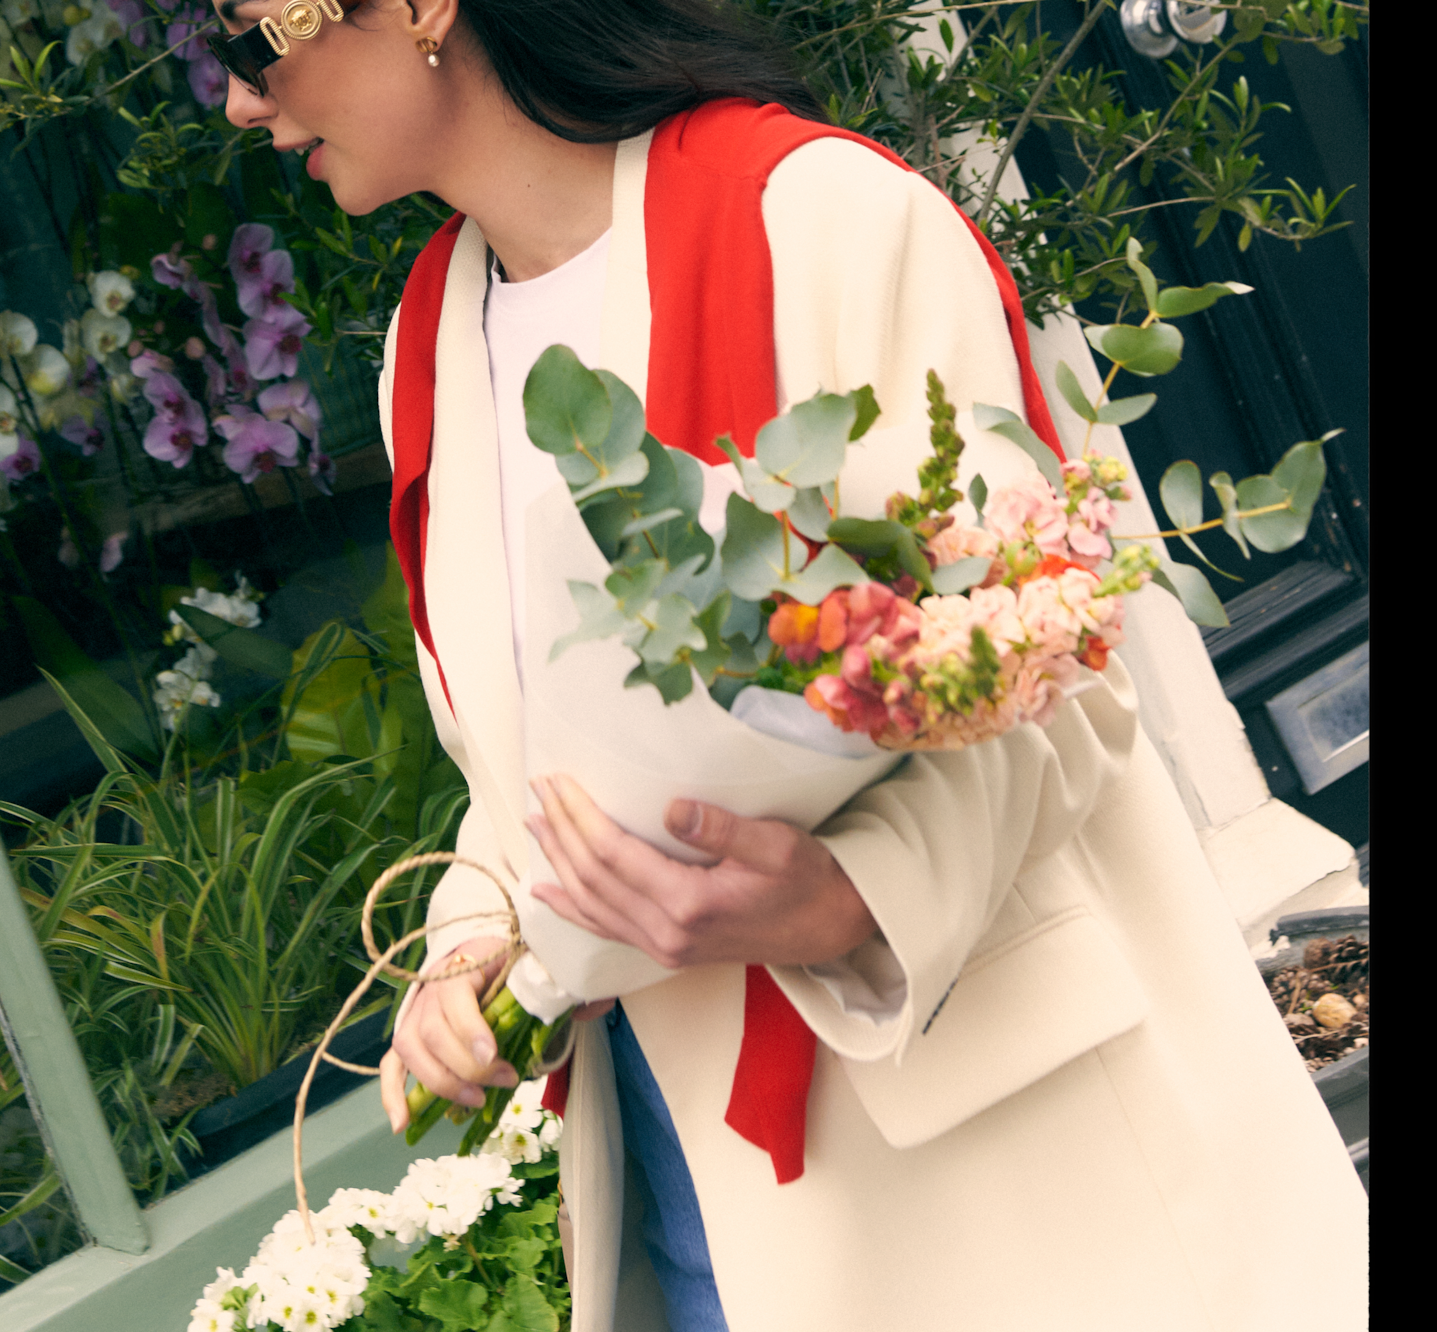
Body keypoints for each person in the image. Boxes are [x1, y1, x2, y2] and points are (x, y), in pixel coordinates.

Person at [216, 2, 1368, 1328]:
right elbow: (519, 760)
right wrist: (467, 952)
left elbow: (1069, 675)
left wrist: (844, 899)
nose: (244, 104)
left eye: (253, 43)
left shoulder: (818, 218)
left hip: (1004, 1169)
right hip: (687, 1184)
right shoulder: (426, 349)